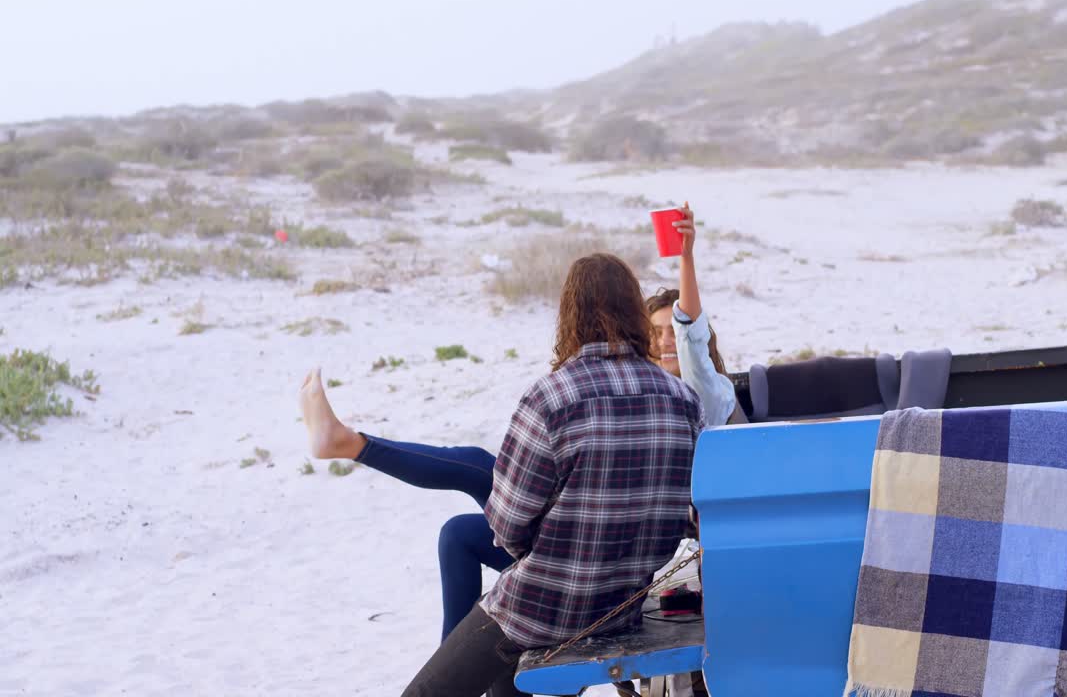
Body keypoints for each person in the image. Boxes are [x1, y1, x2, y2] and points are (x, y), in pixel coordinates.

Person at [298, 205, 742, 639]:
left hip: (576, 580)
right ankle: (351, 443)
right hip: (621, 569)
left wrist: (686, 256)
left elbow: (509, 529)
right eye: (656, 330)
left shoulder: (685, 388)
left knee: (477, 481)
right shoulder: (675, 397)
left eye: (673, 332)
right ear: (636, 321)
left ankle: (352, 444)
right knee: (461, 519)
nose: (665, 341)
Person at [400, 251, 703, 696]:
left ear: (570, 316)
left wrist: (543, 549)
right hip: (622, 608)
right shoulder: (683, 401)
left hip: (540, 609)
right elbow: (692, 511)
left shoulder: (552, 397)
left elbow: (506, 524)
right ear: (636, 314)